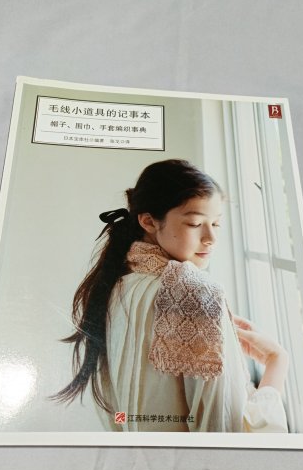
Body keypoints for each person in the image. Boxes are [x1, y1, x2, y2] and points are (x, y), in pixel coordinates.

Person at [54, 159, 289, 433]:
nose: (211, 237)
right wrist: (276, 362)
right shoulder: (194, 291)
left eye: (216, 223)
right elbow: (227, 433)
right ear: (148, 221)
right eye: (195, 223)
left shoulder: (116, 282)